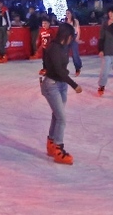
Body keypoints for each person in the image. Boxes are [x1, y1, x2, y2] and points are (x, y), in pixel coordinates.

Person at [41, 23, 82, 165]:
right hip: (51, 85)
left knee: (57, 116)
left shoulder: (64, 47)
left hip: (61, 85)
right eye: (71, 36)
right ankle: (58, 149)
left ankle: (51, 144)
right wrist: (74, 85)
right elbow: (59, 70)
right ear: (67, 36)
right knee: (62, 118)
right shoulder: (54, 48)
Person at [66, 10, 83, 75]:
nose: (67, 14)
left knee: (75, 54)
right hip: (67, 38)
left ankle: (78, 68)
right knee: (65, 54)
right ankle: (63, 68)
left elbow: (78, 29)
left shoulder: (75, 21)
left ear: (71, 14)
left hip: (74, 37)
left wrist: (77, 37)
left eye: (68, 13)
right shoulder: (66, 21)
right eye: (66, 13)